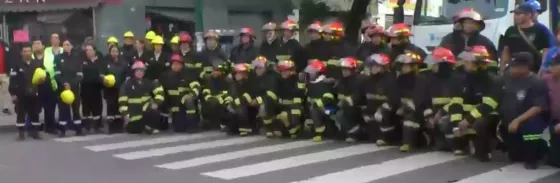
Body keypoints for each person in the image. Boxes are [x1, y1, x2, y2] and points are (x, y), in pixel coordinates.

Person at [462, 52, 549, 169]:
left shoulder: (536, 82)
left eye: (515, 67)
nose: (511, 69)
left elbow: (538, 107)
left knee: (532, 127)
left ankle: (536, 153)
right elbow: (490, 102)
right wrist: (469, 119)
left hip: (527, 120)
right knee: (515, 156)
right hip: (507, 122)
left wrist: (518, 121)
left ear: (525, 67)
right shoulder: (504, 79)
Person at [444, 45, 500, 161]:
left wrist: (468, 119)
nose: (464, 63)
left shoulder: (492, 80)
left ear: (477, 64)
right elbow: (456, 102)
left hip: (489, 117)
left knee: (480, 125)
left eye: (467, 61)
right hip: (469, 116)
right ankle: (462, 144)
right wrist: (456, 124)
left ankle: (486, 149)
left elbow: (488, 106)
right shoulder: (464, 79)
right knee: (444, 122)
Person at [421, 47, 462, 153]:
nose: (432, 66)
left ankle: (456, 144)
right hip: (435, 113)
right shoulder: (430, 79)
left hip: (451, 113)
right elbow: (425, 100)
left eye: (435, 64)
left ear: (443, 65)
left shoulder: (456, 80)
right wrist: (429, 116)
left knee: (445, 123)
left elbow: (456, 101)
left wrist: (441, 113)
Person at [500, 2, 554, 73]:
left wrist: (541, 72)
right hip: (514, 71)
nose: (516, 16)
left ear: (529, 14)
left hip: (534, 71)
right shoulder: (510, 31)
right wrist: (502, 70)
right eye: (515, 14)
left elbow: (546, 53)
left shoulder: (541, 30)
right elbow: (506, 52)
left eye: (519, 14)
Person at [360, 53, 399, 146]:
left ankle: (387, 137)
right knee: (366, 114)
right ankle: (375, 135)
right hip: (374, 107)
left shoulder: (390, 80)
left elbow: (393, 100)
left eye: (375, 66)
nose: (372, 68)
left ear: (383, 67)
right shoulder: (369, 80)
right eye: (372, 66)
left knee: (380, 115)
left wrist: (381, 110)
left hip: (388, 110)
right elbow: (364, 96)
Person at [394, 52, 430, 152]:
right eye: (403, 66)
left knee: (409, 117)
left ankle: (407, 143)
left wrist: (407, 105)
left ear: (414, 67)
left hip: (418, 110)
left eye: (406, 66)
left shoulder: (420, 80)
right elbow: (395, 95)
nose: (403, 68)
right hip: (403, 107)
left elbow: (419, 99)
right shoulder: (400, 79)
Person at [10, 43, 45, 140]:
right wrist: (13, 94)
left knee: (35, 113)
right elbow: (13, 80)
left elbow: (44, 75)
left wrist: (43, 80)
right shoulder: (17, 64)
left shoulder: (37, 63)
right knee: (20, 114)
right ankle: (21, 134)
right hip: (21, 94)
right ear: (21, 53)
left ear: (31, 52)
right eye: (25, 51)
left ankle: (35, 133)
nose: (27, 53)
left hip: (34, 93)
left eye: (29, 51)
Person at [119, 61, 164, 134]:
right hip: (133, 114)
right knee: (135, 130)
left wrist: (156, 103)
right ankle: (145, 127)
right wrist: (125, 114)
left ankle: (149, 126)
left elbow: (159, 91)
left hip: (145, 111)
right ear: (134, 72)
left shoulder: (148, 82)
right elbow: (122, 101)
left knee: (155, 113)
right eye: (138, 70)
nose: (140, 72)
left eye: (141, 70)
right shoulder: (127, 84)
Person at [159, 54, 201, 133]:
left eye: (178, 64)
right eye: (173, 64)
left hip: (187, 104)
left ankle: (193, 125)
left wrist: (191, 95)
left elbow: (196, 86)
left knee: (189, 101)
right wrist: (166, 108)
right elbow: (164, 93)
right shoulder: (166, 77)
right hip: (176, 107)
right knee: (179, 129)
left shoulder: (188, 74)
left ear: (182, 65)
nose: (175, 66)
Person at [54, 40, 84, 137]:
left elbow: (80, 74)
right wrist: (64, 84)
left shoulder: (77, 58)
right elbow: (57, 74)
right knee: (63, 110)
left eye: (68, 45)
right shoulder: (58, 58)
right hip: (62, 89)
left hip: (75, 88)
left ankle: (78, 130)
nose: (66, 46)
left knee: (76, 109)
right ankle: (62, 131)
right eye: (64, 45)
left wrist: (72, 84)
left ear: (71, 46)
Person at [335, 57, 367, 143]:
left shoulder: (359, 79)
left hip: (359, 105)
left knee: (340, 114)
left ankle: (356, 133)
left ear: (353, 69)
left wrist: (346, 101)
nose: (344, 71)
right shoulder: (342, 81)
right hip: (347, 105)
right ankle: (350, 131)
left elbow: (358, 96)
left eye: (346, 69)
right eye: (343, 69)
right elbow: (340, 94)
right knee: (333, 112)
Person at [305, 60, 336, 142]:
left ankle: (319, 133)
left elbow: (329, 97)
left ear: (318, 72)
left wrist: (317, 103)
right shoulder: (311, 84)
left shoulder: (325, 83)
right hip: (318, 108)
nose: (309, 74)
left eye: (312, 72)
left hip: (328, 110)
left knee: (315, 108)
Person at [274, 60, 305, 138]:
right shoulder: (279, 81)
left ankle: (296, 127)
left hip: (296, 108)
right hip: (283, 107)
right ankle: (291, 129)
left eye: (286, 70)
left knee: (290, 117)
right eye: (281, 70)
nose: (283, 72)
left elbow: (300, 94)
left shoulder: (298, 80)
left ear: (292, 71)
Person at [251, 56, 280, 137]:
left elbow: (272, 94)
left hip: (272, 102)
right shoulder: (255, 78)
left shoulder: (271, 78)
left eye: (260, 68)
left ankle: (270, 128)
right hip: (258, 101)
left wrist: (258, 100)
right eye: (256, 68)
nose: (258, 70)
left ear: (266, 68)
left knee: (264, 107)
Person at [33, 39, 58, 134]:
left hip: (49, 84)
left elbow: (55, 69)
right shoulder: (31, 57)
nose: (36, 45)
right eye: (34, 44)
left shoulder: (50, 56)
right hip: (35, 85)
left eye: (38, 43)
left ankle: (50, 127)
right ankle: (34, 129)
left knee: (50, 108)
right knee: (35, 108)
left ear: (43, 46)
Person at [540, 55, 560, 168]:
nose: (551, 68)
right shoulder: (547, 79)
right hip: (554, 121)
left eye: (554, 65)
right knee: (554, 161)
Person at [200, 61, 231, 131]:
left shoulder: (226, 81)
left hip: (223, 101)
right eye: (214, 70)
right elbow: (205, 91)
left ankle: (224, 124)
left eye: (217, 71)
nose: (215, 72)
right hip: (211, 100)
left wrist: (219, 99)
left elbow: (227, 93)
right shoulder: (209, 80)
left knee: (222, 106)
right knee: (206, 105)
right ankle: (208, 122)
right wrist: (210, 98)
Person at [103, 45, 128, 134]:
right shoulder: (105, 63)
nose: (114, 53)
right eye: (112, 51)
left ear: (118, 52)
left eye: (116, 51)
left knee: (119, 108)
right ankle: (110, 127)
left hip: (120, 89)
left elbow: (126, 76)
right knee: (110, 108)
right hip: (109, 90)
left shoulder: (123, 63)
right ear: (110, 52)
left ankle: (119, 127)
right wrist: (105, 81)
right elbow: (102, 75)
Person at [82, 44, 106, 134]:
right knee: (86, 109)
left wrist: (96, 78)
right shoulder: (83, 62)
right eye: (87, 50)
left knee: (97, 108)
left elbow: (101, 75)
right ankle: (86, 127)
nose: (88, 51)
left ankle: (97, 126)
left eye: (90, 50)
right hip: (85, 89)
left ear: (94, 51)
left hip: (96, 89)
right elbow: (83, 76)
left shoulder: (100, 62)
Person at [227, 63, 256, 136]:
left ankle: (246, 128)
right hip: (238, 106)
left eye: (241, 73)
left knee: (241, 109)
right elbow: (231, 95)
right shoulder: (233, 84)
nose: (239, 75)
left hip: (250, 107)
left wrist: (239, 101)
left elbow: (250, 96)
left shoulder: (250, 83)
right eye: (237, 73)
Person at [0, 39, 11, 115]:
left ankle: (6, 107)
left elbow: (10, 57)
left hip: (4, 73)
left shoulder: (5, 45)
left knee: (6, 91)